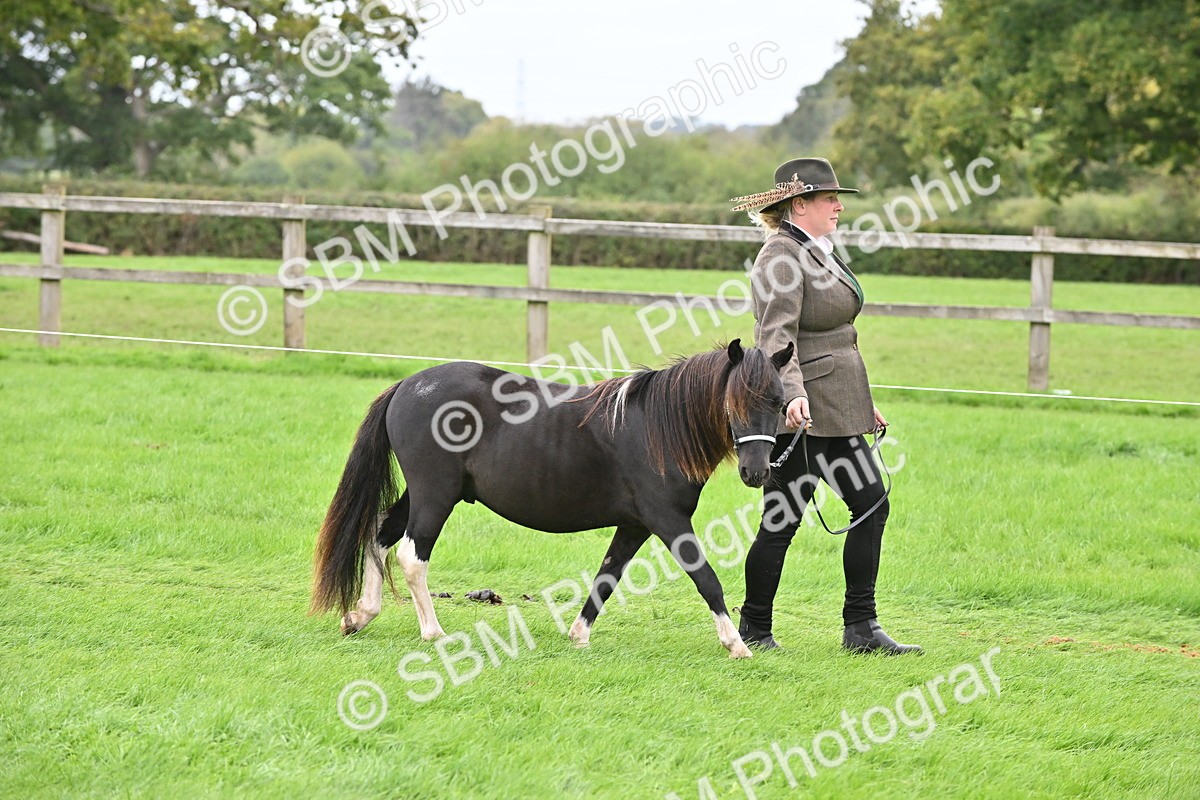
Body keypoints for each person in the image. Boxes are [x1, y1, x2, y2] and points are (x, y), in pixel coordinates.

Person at [729, 157, 921, 655]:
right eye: (829, 198)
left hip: (839, 404)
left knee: (870, 503)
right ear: (800, 204)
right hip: (805, 414)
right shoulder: (781, 257)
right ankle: (754, 627)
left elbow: (841, 337)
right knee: (781, 520)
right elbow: (775, 337)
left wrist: (864, 403)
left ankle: (861, 627)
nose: (839, 205)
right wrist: (791, 396)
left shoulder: (816, 250)